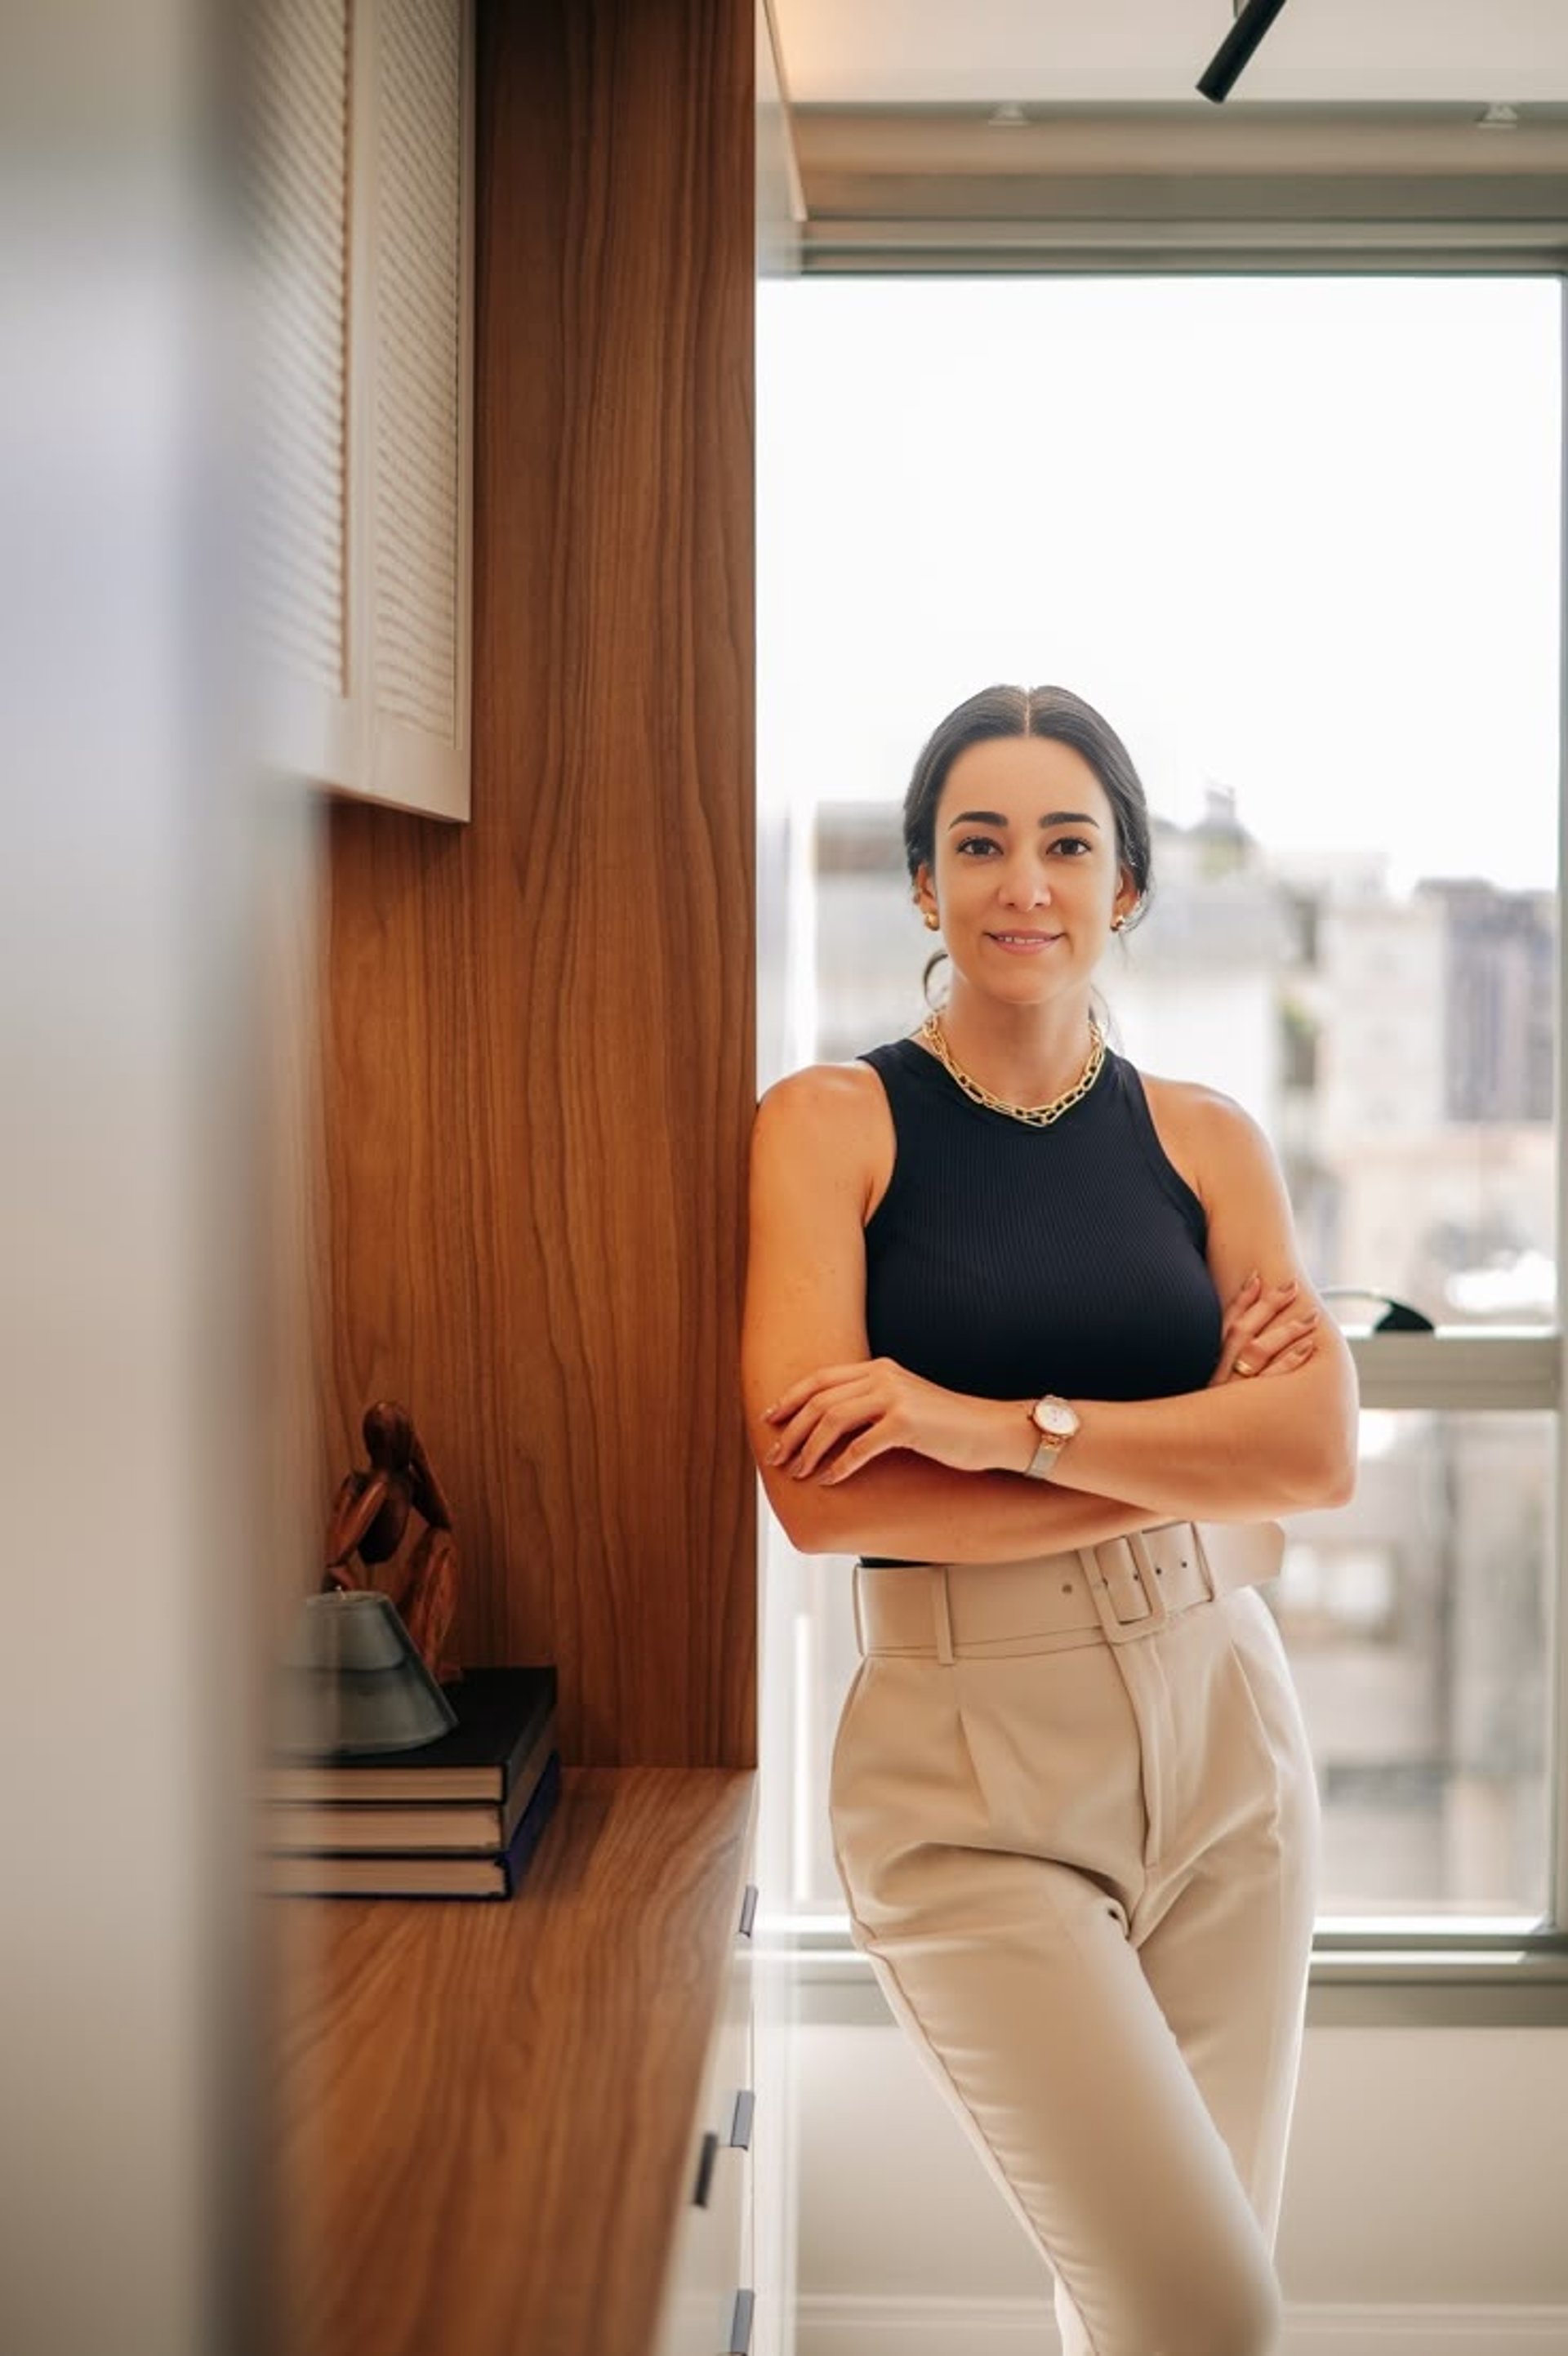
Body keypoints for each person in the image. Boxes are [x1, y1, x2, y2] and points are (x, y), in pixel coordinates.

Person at [740, 684, 1358, 2356]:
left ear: (1128, 887)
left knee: (1149, 2322)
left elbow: (1309, 1452)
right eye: (981, 843)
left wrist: (984, 1427)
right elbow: (817, 1495)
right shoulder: (831, 1127)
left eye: (1068, 843)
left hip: (1232, 1741)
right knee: (1208, 2309)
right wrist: (1173, 1447)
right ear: (926, 889)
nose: (1027, 881)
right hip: (967, 1784)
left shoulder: (1206, 1138)